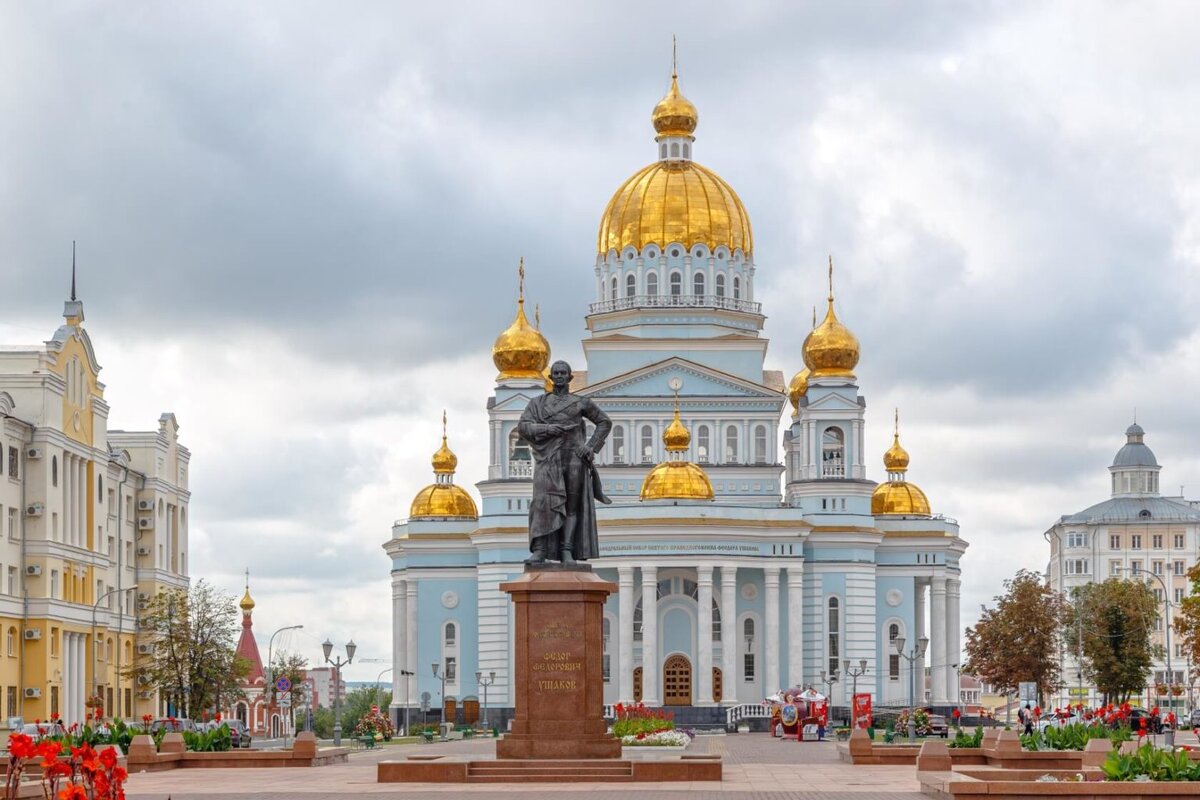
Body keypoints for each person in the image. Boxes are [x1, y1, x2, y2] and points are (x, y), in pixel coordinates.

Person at [518, 360, 612, 563]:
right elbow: (524, 427)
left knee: (572, 505)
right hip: (548, 458)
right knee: (542, 502)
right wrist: (546, 429)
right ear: (550, 378)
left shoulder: (581, 402)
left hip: (574, 459)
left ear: (570, 377)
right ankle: (540, 550)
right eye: (556, 373)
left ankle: (567, 550)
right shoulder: (537, 404)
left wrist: (590, 446)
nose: (559, 376)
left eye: (563, 373)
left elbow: (604, 422)